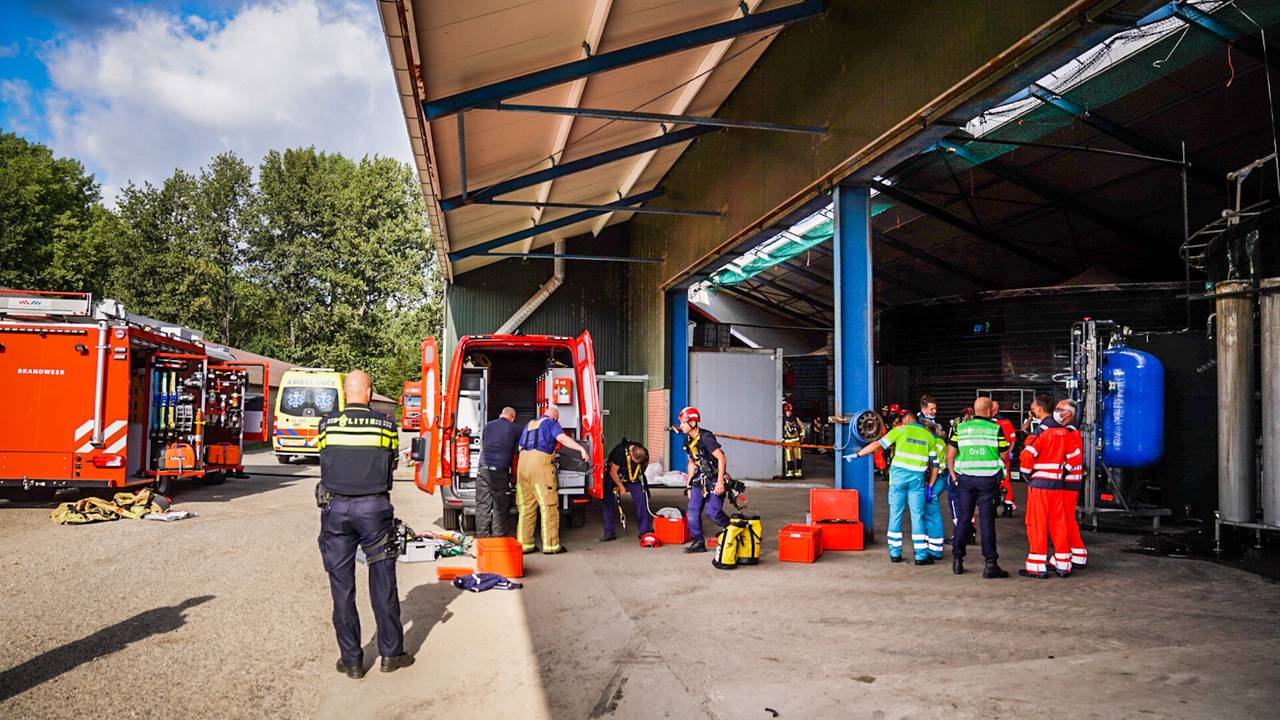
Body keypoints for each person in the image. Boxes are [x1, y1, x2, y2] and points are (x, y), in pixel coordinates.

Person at [316, 370, 414, 679]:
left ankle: (352, 661)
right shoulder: (385, 425)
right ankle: (391, 654)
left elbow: (325, 457)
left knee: (342, 588)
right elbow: (391, 462)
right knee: (383, 582)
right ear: (369, 392)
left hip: (336, 510)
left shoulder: (327, 424)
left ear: (345, 393)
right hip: (374, 510)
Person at [853, 412, 938, 564]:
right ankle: (920, 556)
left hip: (898, 480)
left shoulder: (900, 430)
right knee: (917, 516)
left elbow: (877, 444)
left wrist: (858, 454)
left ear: (906, 420)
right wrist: (930, 484)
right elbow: (934, 464)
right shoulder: (929, 436)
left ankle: (895, 553)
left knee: (895, 514)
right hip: (917, 481)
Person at [1018, 397, 1084, 578]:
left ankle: (1037, 566)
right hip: (1058, 485)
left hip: (1040, 485)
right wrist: (1061, 472)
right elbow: (1075, 457)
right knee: (1059, 523)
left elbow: (1027, 455)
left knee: (1037, 523)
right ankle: (1063, 564)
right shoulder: (1065, 432)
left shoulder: (1043, 431)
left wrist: (1026, 474)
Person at [946, 396, 1010, 578]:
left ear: (974, 411)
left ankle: (958, 560)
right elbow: (1004, 455)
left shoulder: (961, 428)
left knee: (964, 519)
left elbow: (950, 454)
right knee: (987, 521)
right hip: (988, 482)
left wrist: (953, 474)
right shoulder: (995, 429)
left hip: (965, 480)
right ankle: (990, 564)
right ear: (989, 411)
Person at [515, 406, 588, 555]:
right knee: (548, 506)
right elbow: (562, 438)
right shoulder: (551, 423)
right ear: (555, 418)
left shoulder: (529, 424)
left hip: (522, 466)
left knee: (526, 507)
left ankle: (524, 545)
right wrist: (581, 449)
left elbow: (520, 447)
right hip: (540, 465)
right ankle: (551, 545)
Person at [677, 406, 732, 554]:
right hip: (700, 478)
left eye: (683, 423)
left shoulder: (706, 438)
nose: (681, 426)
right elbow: (691, 463)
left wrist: (720, 482)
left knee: (713, 513)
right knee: (693, 511)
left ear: (693, 423)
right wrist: (689, 485)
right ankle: (698, 542)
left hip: (714, 477)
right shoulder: (687, 438)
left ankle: (732, 528)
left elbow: (721, 459)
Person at [476, 407, 521, 538]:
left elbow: (485, 443)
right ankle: (498, 536)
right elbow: (521, 448)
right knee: (500, 505)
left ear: (501, 414)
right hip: (499, 471)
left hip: (483, 469)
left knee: (483, 505)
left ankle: (482, 537)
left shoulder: (488, 426)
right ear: (513, 418)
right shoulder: (515, 428)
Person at [600, 440, 653, 542]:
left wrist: (637, 477)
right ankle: (609, 532)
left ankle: (645, 531)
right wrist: (621, 487)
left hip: (631, 476)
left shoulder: (644, 453)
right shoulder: (619, 452)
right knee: (607, 501)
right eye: (634, 461)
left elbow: (644, 466)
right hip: (614, 475)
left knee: (641, 498)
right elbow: (613, 472)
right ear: (631, 454)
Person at [991, 400, 1018, 518]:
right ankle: (1008, 506)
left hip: (991, 457)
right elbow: (1013, 440)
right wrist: (1008, 453)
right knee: (1005, 481)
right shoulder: (1006, 422)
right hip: (1004, 456)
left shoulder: (988, 423)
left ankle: (993, 507)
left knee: (991, 481)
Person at [782, 402, 804, 479]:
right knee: (789, 459)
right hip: (787, 442)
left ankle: (798, 473)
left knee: (798, 458)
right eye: (787, 411)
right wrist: (782, 440)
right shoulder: (782, 419)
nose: (788, 413)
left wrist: (802, 436)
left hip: (796, 442)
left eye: (789, 411)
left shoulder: (796, 419)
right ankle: (789, 473)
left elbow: (802, 427)